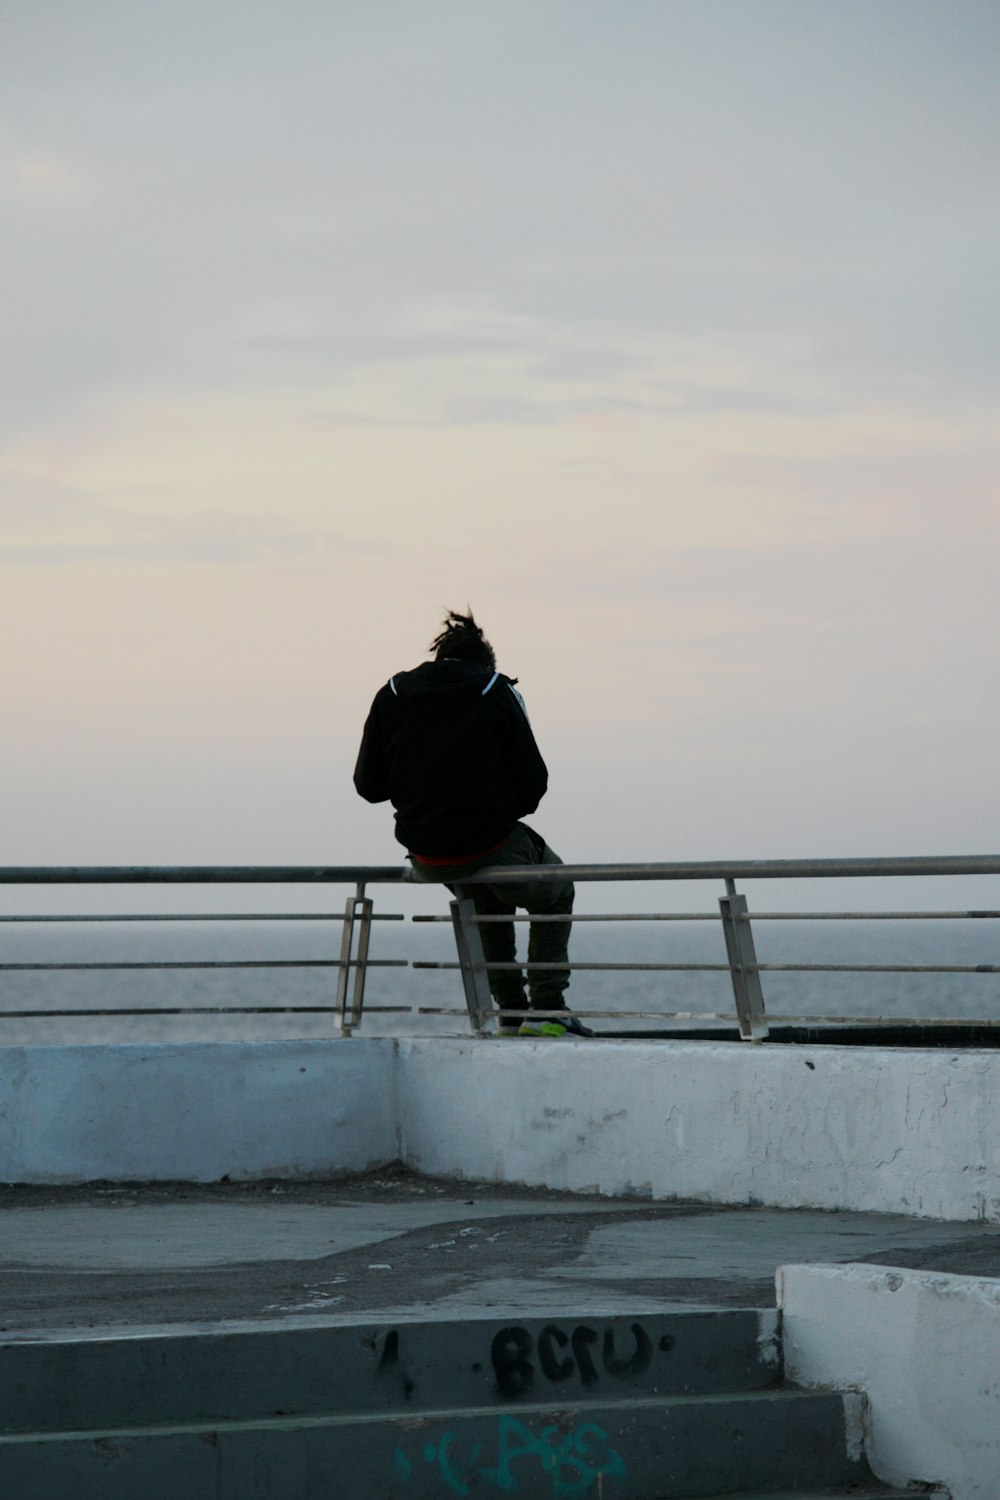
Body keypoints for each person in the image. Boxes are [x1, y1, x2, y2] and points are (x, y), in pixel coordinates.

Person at [353, 609, 590, 1037]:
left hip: (427, 854)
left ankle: (512, 1013)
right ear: (485, 662)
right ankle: (549, 1010)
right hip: (489, 839)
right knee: (556, 887)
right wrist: (491, 807)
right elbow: (533, 784)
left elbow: (368, 786)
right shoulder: (494, 689)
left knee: (486, 902)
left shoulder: (390, 695)